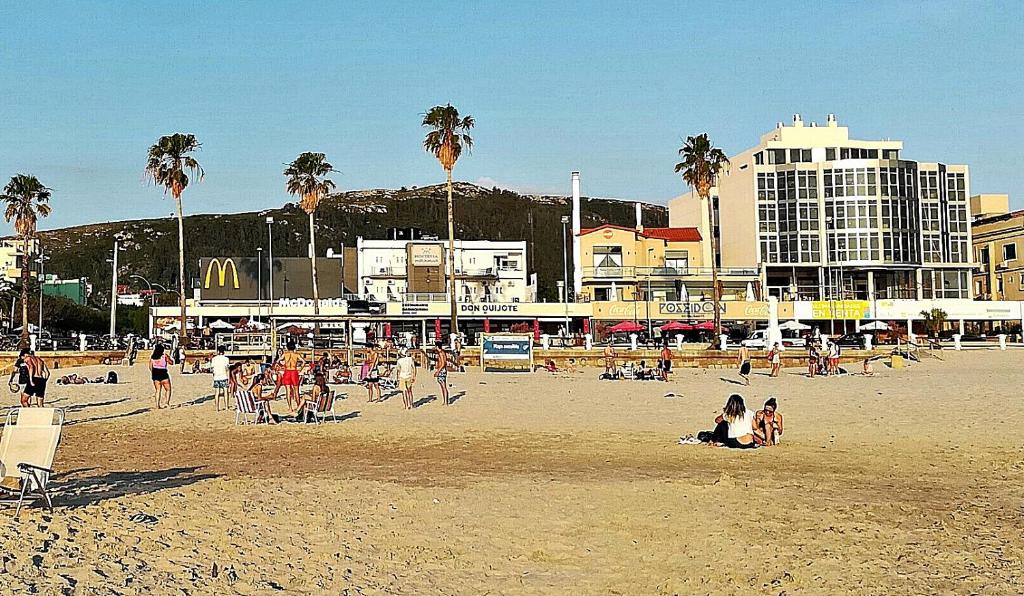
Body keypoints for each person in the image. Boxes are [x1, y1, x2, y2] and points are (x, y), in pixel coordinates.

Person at [278, 340, 304, 411]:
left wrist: (282, 367)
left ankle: (290, 407)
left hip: (287, 371)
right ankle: (299, 406)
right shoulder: (296, 355)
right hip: (294, 371)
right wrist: (300, 369)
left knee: (288, 390)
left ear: (287, 347)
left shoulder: (285, 354)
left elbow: (277, 361)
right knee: (296, 390)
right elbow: (303, 362)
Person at [149, 344, 174, 409]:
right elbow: (171, 362)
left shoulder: (153, 357)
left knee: (158, 390)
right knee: (168, 389)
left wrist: (153, 373)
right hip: (163, 372)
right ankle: (167, 403)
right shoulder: (164, 356)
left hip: (155, 373)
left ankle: (157, 405)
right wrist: (169, 359)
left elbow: (150, 367)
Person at [211, 346, 231, 411]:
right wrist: (228, 377)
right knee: (225, 392)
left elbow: (212, 369)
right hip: (224, 376)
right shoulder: (226, 359)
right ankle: (226, 406)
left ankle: (217, 408)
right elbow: (227, 369)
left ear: (218, 351)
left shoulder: (214, 359)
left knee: (217, 393)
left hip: (216, 377)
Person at [433, 341, 450, 406]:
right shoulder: (442, 352)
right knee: (443, 385)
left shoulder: (441, 353)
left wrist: (438, 371)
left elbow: (443, 363)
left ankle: (446, 401)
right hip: (443, 370)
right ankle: (445, 400)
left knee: (443, 386)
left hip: (442, 370)